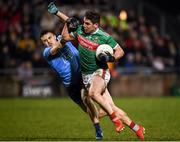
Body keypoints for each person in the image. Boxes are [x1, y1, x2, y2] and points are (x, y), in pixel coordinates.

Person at [47, 2, 145, 140]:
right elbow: (65, 37)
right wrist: (57, 13)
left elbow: (120, 51)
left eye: (87, 24)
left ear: (95, 25)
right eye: (84, 22)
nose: (84, 25)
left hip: (100, 72)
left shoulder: (104, 37)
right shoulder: (81, 30)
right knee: (110, 107)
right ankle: (137, 128)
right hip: (86, 76)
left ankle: (115, 120)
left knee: (93, 94)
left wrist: (112, 58)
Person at [40, 29, 103, 140]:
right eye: (44, 41)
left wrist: (60, 16)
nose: (48, 42)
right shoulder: (46, 52)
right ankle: (111, 111)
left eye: (49, 38)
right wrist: (63, 39)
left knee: (87, 100)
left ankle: (99, 130)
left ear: (54, 36)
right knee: (91, 111)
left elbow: (67, 33)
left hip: (81, 74)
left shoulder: (63, 38)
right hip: (69, 85)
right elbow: (58, 47)